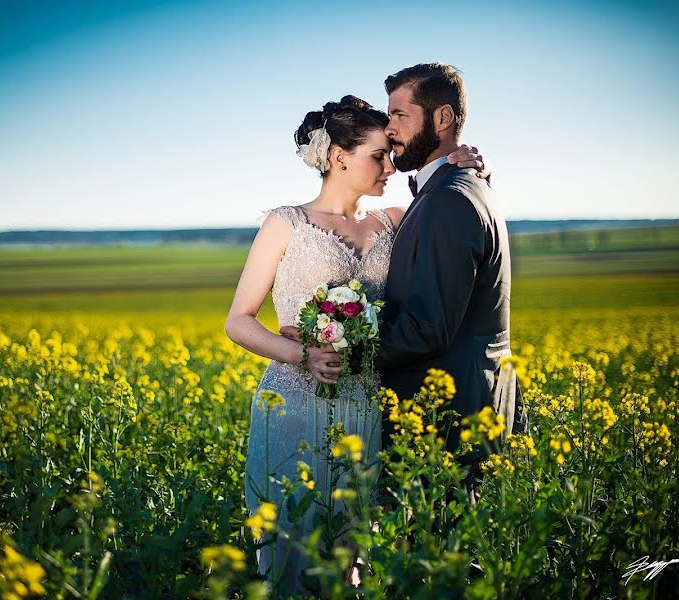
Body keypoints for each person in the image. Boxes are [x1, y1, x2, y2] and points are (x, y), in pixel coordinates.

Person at [225, 94, 488, 592]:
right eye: (379, 155)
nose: (390, 165)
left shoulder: (393, 220)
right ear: (339, 157)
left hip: (365, 402)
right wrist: (300, 353)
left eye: (390, 154)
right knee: (291, 541)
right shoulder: (286, 223)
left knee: (351, 545)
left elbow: (450, 205)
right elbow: (238, 321)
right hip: (294, 402)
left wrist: (479, 167)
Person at [375, 63, 528, 491]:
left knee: (439, 553)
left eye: (400, 116)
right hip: (468, 410)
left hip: (447, 423)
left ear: (442, 119)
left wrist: (343, 354)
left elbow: (426, 329)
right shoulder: (466, 185)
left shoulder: (449, 199)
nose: (390, 130)